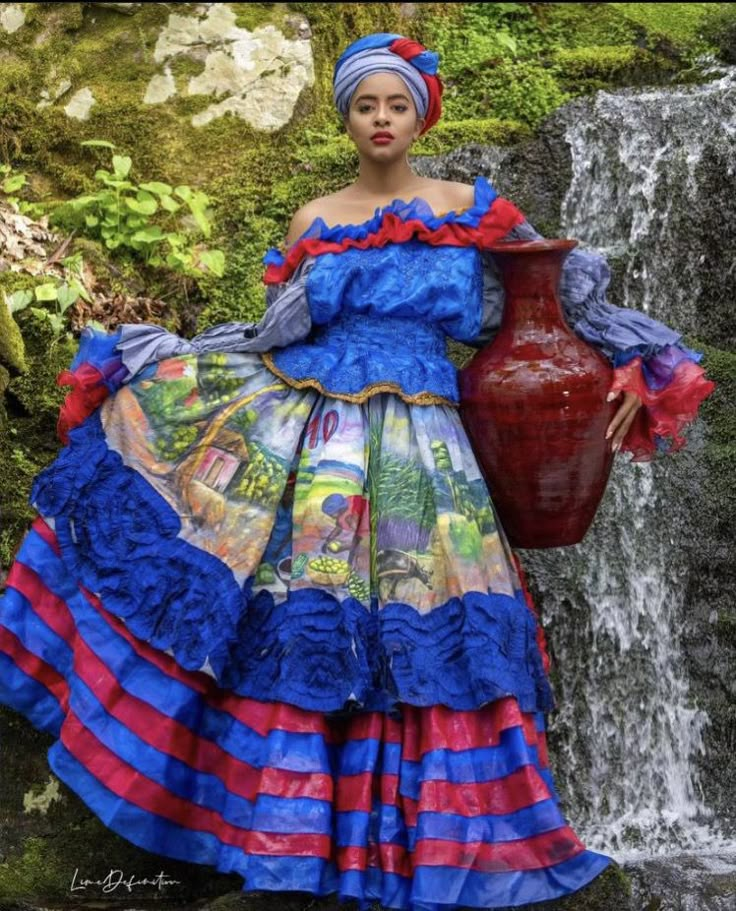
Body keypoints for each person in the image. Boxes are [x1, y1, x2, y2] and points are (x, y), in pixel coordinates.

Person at [0, 31, 716, 911]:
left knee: (423, 613)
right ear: (345, 117)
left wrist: (645, 365)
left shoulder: (471, 206)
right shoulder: (314, 218)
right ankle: (290, 834)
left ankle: (422, 842)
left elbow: (563, 294)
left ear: (422, 114)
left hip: (428, 439)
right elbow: (277, 330)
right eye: (365, 104)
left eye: (397, 103)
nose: (382, 119)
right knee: (310, 604)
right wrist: (175, 369)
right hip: (317, 435)